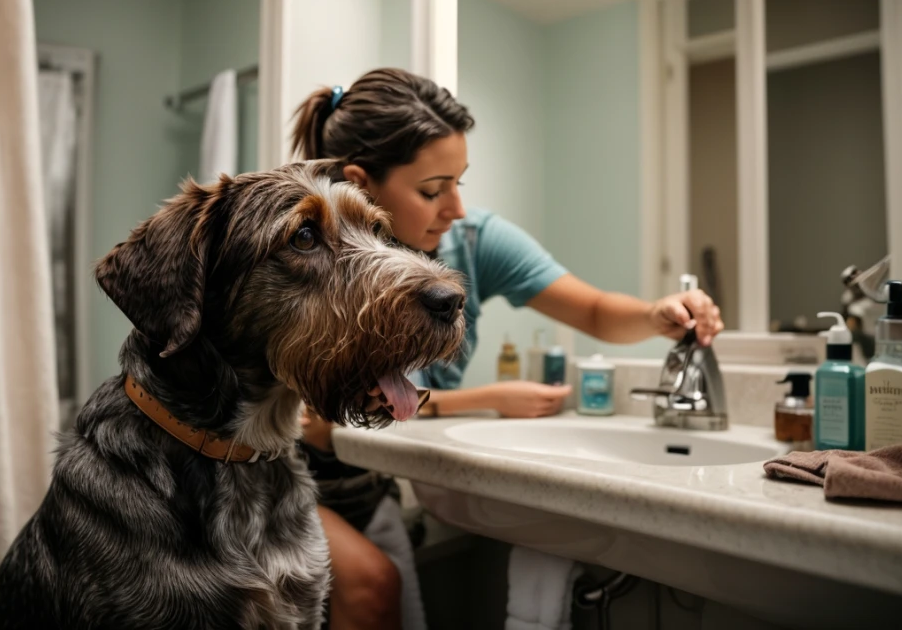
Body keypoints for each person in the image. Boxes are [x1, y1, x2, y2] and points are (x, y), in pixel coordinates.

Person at [289, 68, 724, 630]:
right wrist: (481, 399)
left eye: (458, 183)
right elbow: (316, 425)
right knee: (374, 586)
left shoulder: (471, 242)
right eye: (431, 190)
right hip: (278, 477)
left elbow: (591, 310)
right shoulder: (309, 260)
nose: (456, 209)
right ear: (361, 184)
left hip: (367, 485)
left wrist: (654, 315)